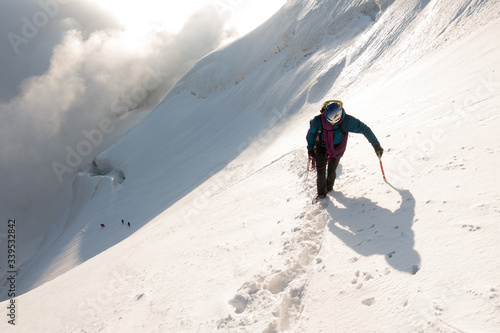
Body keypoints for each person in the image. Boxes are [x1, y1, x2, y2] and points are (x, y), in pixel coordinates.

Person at [306, 100, 384, 198]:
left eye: (334, 122)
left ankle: (329, 188)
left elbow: (364, 129)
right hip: (322, 147)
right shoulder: (318, 120)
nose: (331, 124)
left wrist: (376, 145)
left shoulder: (347, 121)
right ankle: (322, 193)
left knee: (332, 171)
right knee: (320, 171)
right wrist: (310, 148)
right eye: (329, 121)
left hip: (337, 148)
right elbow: (312, 133)